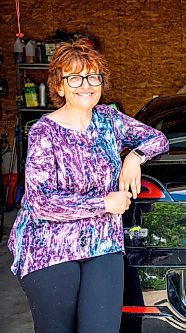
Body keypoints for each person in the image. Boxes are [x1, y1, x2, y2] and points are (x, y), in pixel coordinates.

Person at [8, 40, 169, 333]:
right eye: (75, 77)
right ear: (59, 87)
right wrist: (103, 204)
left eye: (94, 76)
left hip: (102, 242)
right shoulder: (44, 132)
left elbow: (158, 139)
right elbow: (41, 202)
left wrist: (134, 156)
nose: (86, 85)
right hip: (50, 247)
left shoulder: (109, 120)